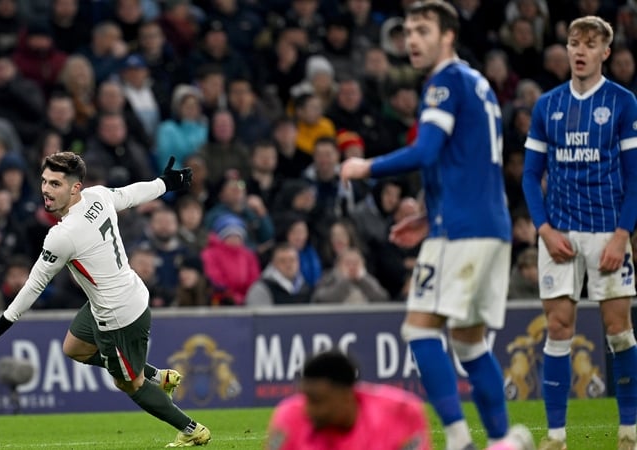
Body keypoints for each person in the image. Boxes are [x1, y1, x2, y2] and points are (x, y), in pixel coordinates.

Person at [339, 2, 513, 449]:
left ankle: (458, 438)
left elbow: (427, 150)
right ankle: (501, 441)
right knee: (471, 343)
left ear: (448, 35)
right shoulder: (477, 83)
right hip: (488, 225)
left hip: (461, 229)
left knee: (420, 329)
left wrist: (366, 167)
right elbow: (464, 160)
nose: (412, 39)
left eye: (422, 30)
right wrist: (427, 214)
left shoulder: (444, 81)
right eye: (408, 32)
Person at [0, 152, 211, 447]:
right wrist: (164, 184)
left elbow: (36, 283)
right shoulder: (97, 196)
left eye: (56, 184)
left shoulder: (62, 235)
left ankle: (191, 429)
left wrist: (3, 323)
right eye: (45, 181)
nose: (46, 189)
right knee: (74, 348)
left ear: (75, 188)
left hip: (117, 315)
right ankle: (159, 376)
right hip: (120, 294)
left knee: (129, 383)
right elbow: (131, 194)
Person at [521, 15, 637, 450]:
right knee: (557, 327)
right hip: (560, 234)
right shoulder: (546, 105)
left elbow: (634, 175)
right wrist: (545, 230)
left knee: (618, 329)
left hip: (608, 231)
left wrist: (623, 234)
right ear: (567, 49)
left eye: (590, 43)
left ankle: (629, 431)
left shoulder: (623, 102)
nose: (581, 50)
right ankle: (555, 437)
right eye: (574, 42)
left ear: (606, 52)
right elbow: (531, 176)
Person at [265, 351, 536, 450]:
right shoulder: (289, 416)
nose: (309, 408)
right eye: (306, 398)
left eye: (318, 400)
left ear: (347, 395)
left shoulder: (400, 412)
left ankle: (511, 444)